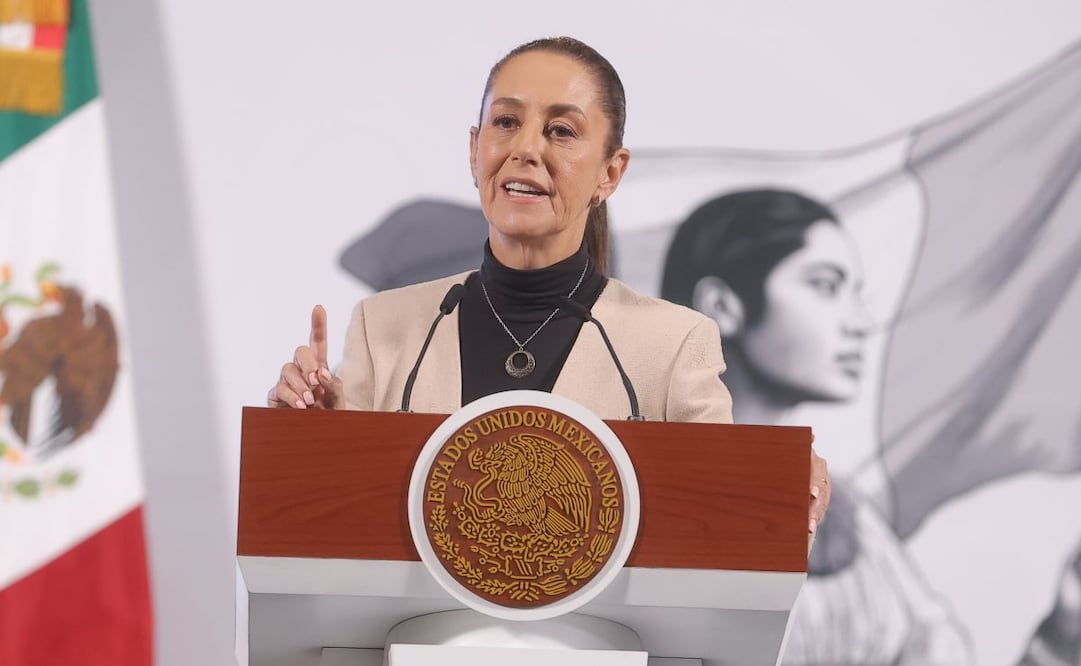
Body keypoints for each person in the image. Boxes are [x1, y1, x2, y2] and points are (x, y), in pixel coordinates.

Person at [266, 37, 831, 535]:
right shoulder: (383, 327)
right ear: (474, 149)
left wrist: (778, 475)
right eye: (506, 122)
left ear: (610, 173)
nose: (526, 149)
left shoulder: (674, 344)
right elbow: (332, 526)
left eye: (560, 131)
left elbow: (723, 510)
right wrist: (317, 438)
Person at [661, 188, 972, 665]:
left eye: (856, 293)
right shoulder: (639, 490)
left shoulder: (851, 514)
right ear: (722, 306)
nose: (861, 322)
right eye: (826, 285)